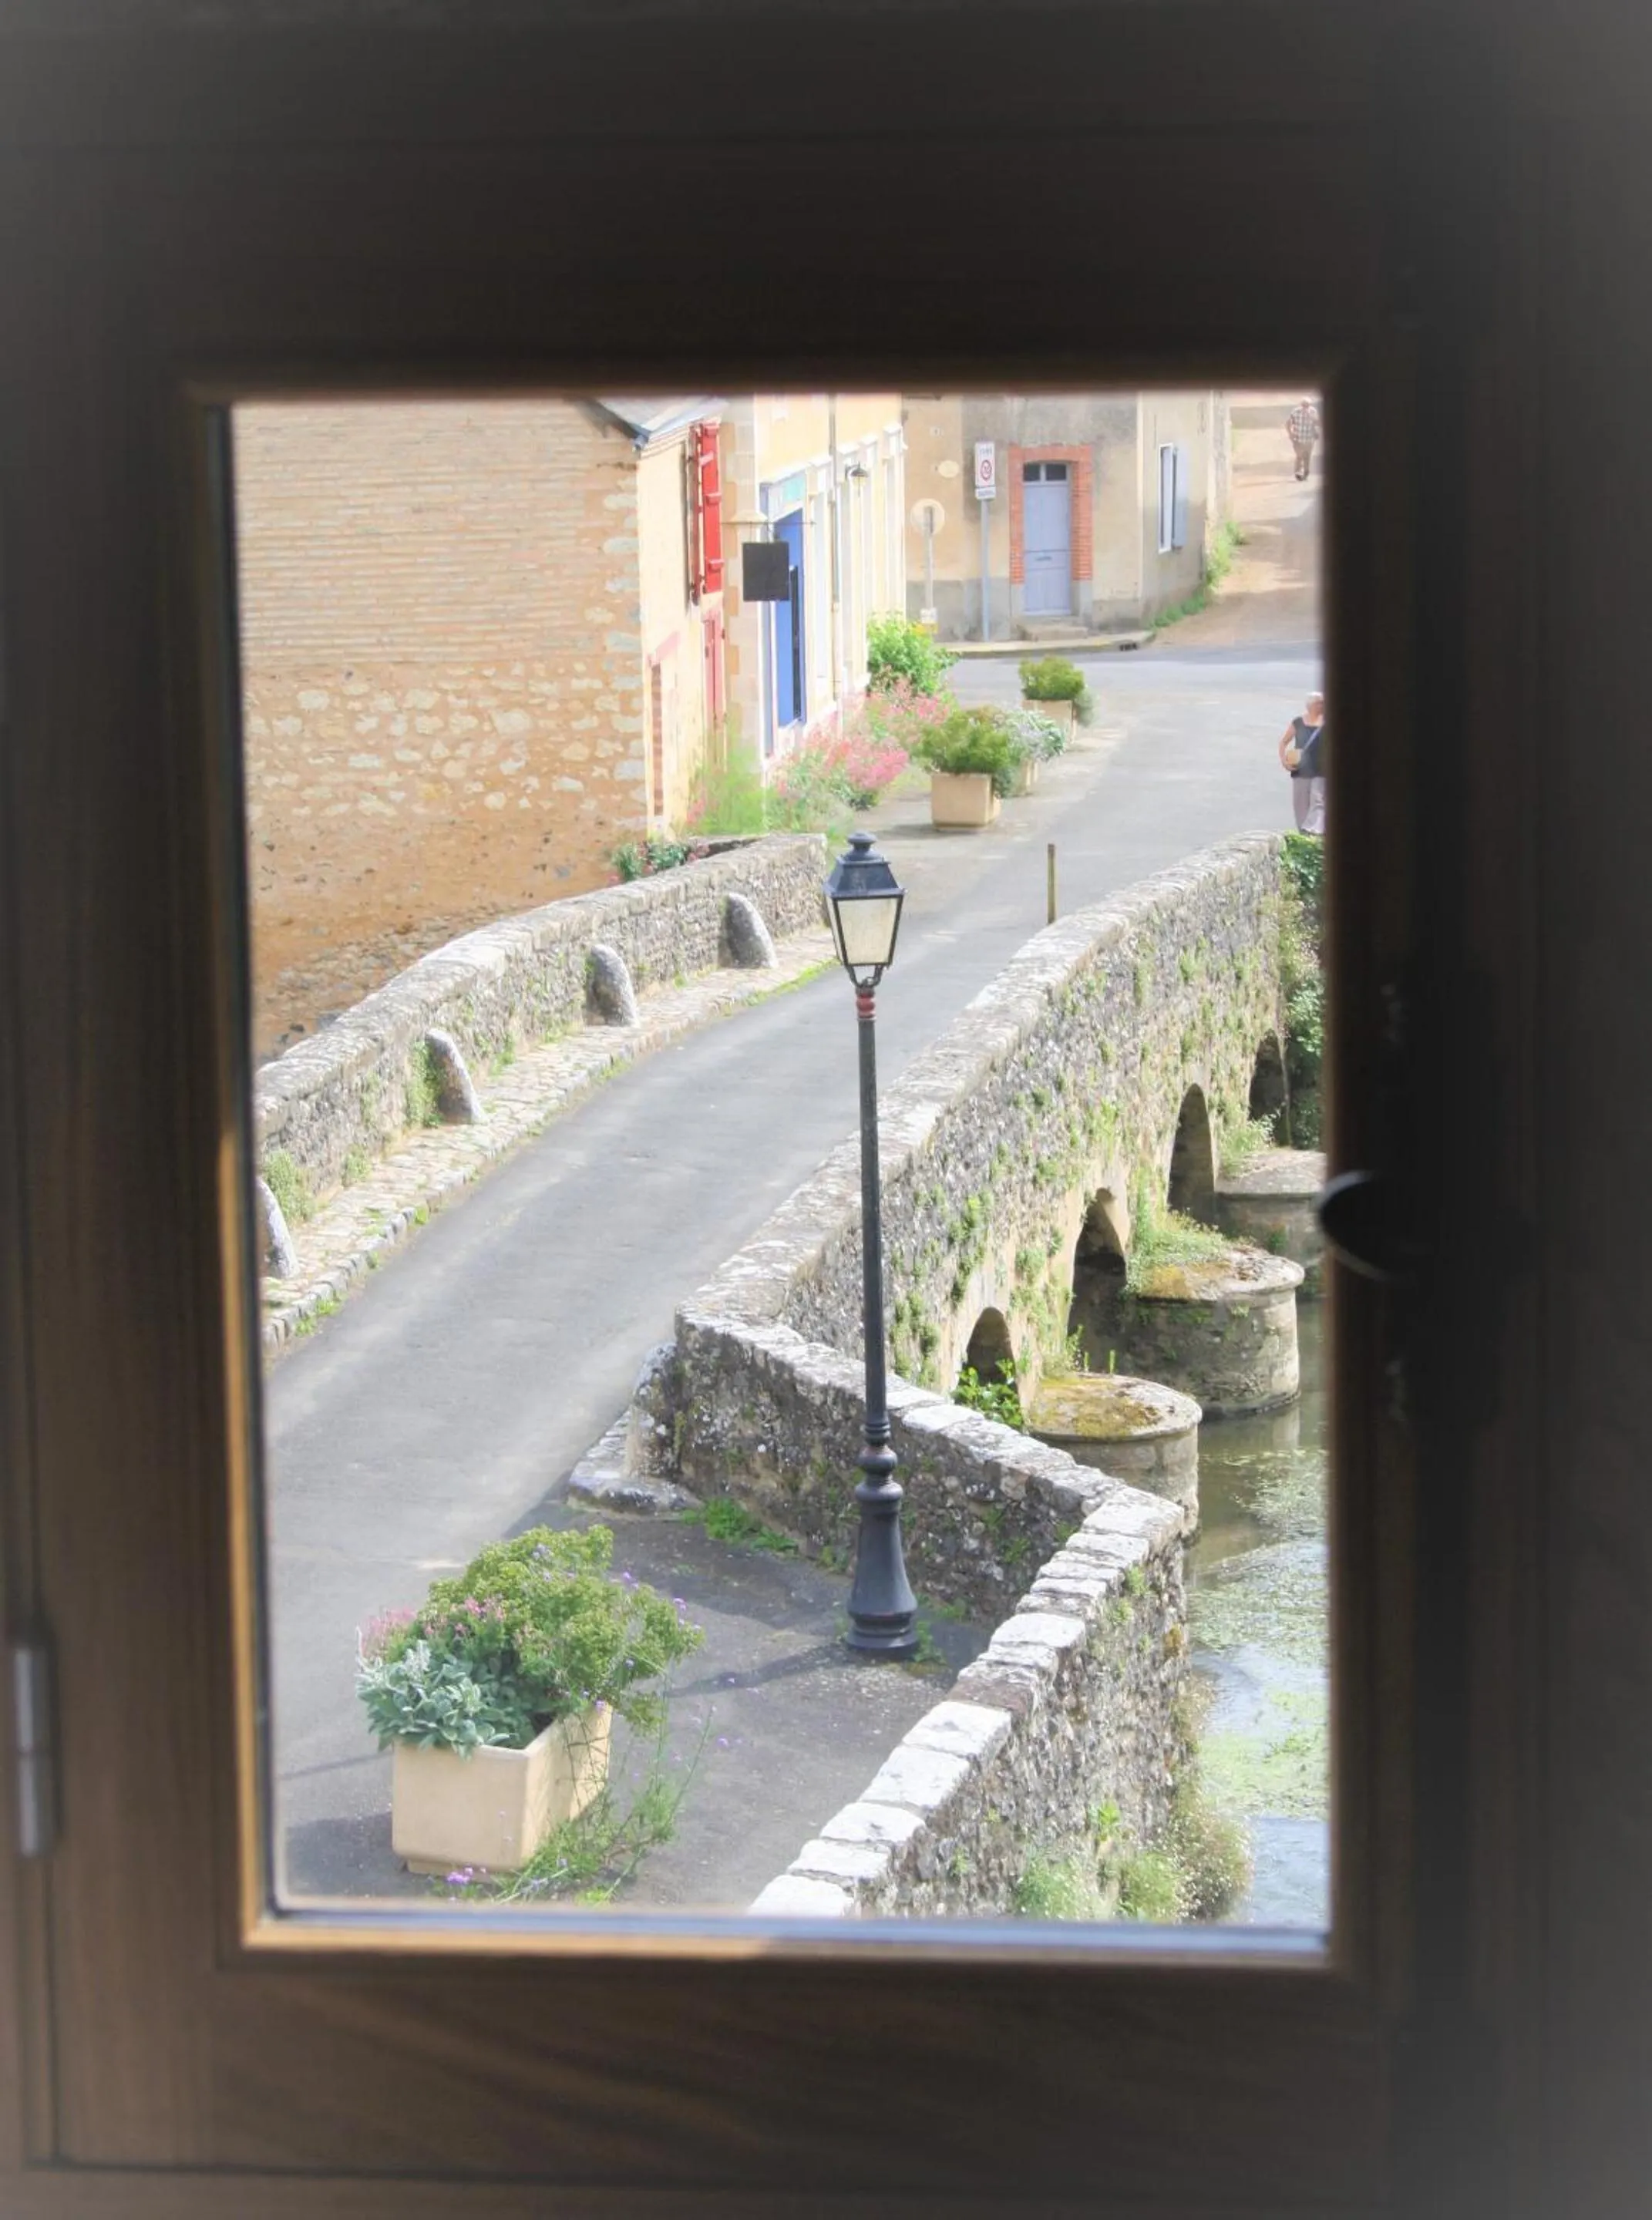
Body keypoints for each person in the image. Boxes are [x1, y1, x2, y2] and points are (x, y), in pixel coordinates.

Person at [1278, 690, 1327, 833]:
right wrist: (1284, 761)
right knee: (1300, 803)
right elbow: (1283, 742)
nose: (1323, 706)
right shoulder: (1298, 723)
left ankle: (1315, 831)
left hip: (1321, 769)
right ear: (1311, 705)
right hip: (1301, 768)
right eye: (1320, 703)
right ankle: (1303, 831)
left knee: (1318, 800)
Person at [1287, 395, 1321, 480]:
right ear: (1301, 405)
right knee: (1299, 456)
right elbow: (1289, 423)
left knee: (1307, 457)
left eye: (1307, 405)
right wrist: (1291, 433)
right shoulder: (1296, 412)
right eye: (1304, 405)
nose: (1305, 407)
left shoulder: (1313, 412)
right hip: (1298, 439)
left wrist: (1317, 432)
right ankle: (1298, 472)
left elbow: (1317, 423)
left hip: (1309, 439)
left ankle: (1306, 473)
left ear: (1309, 405)